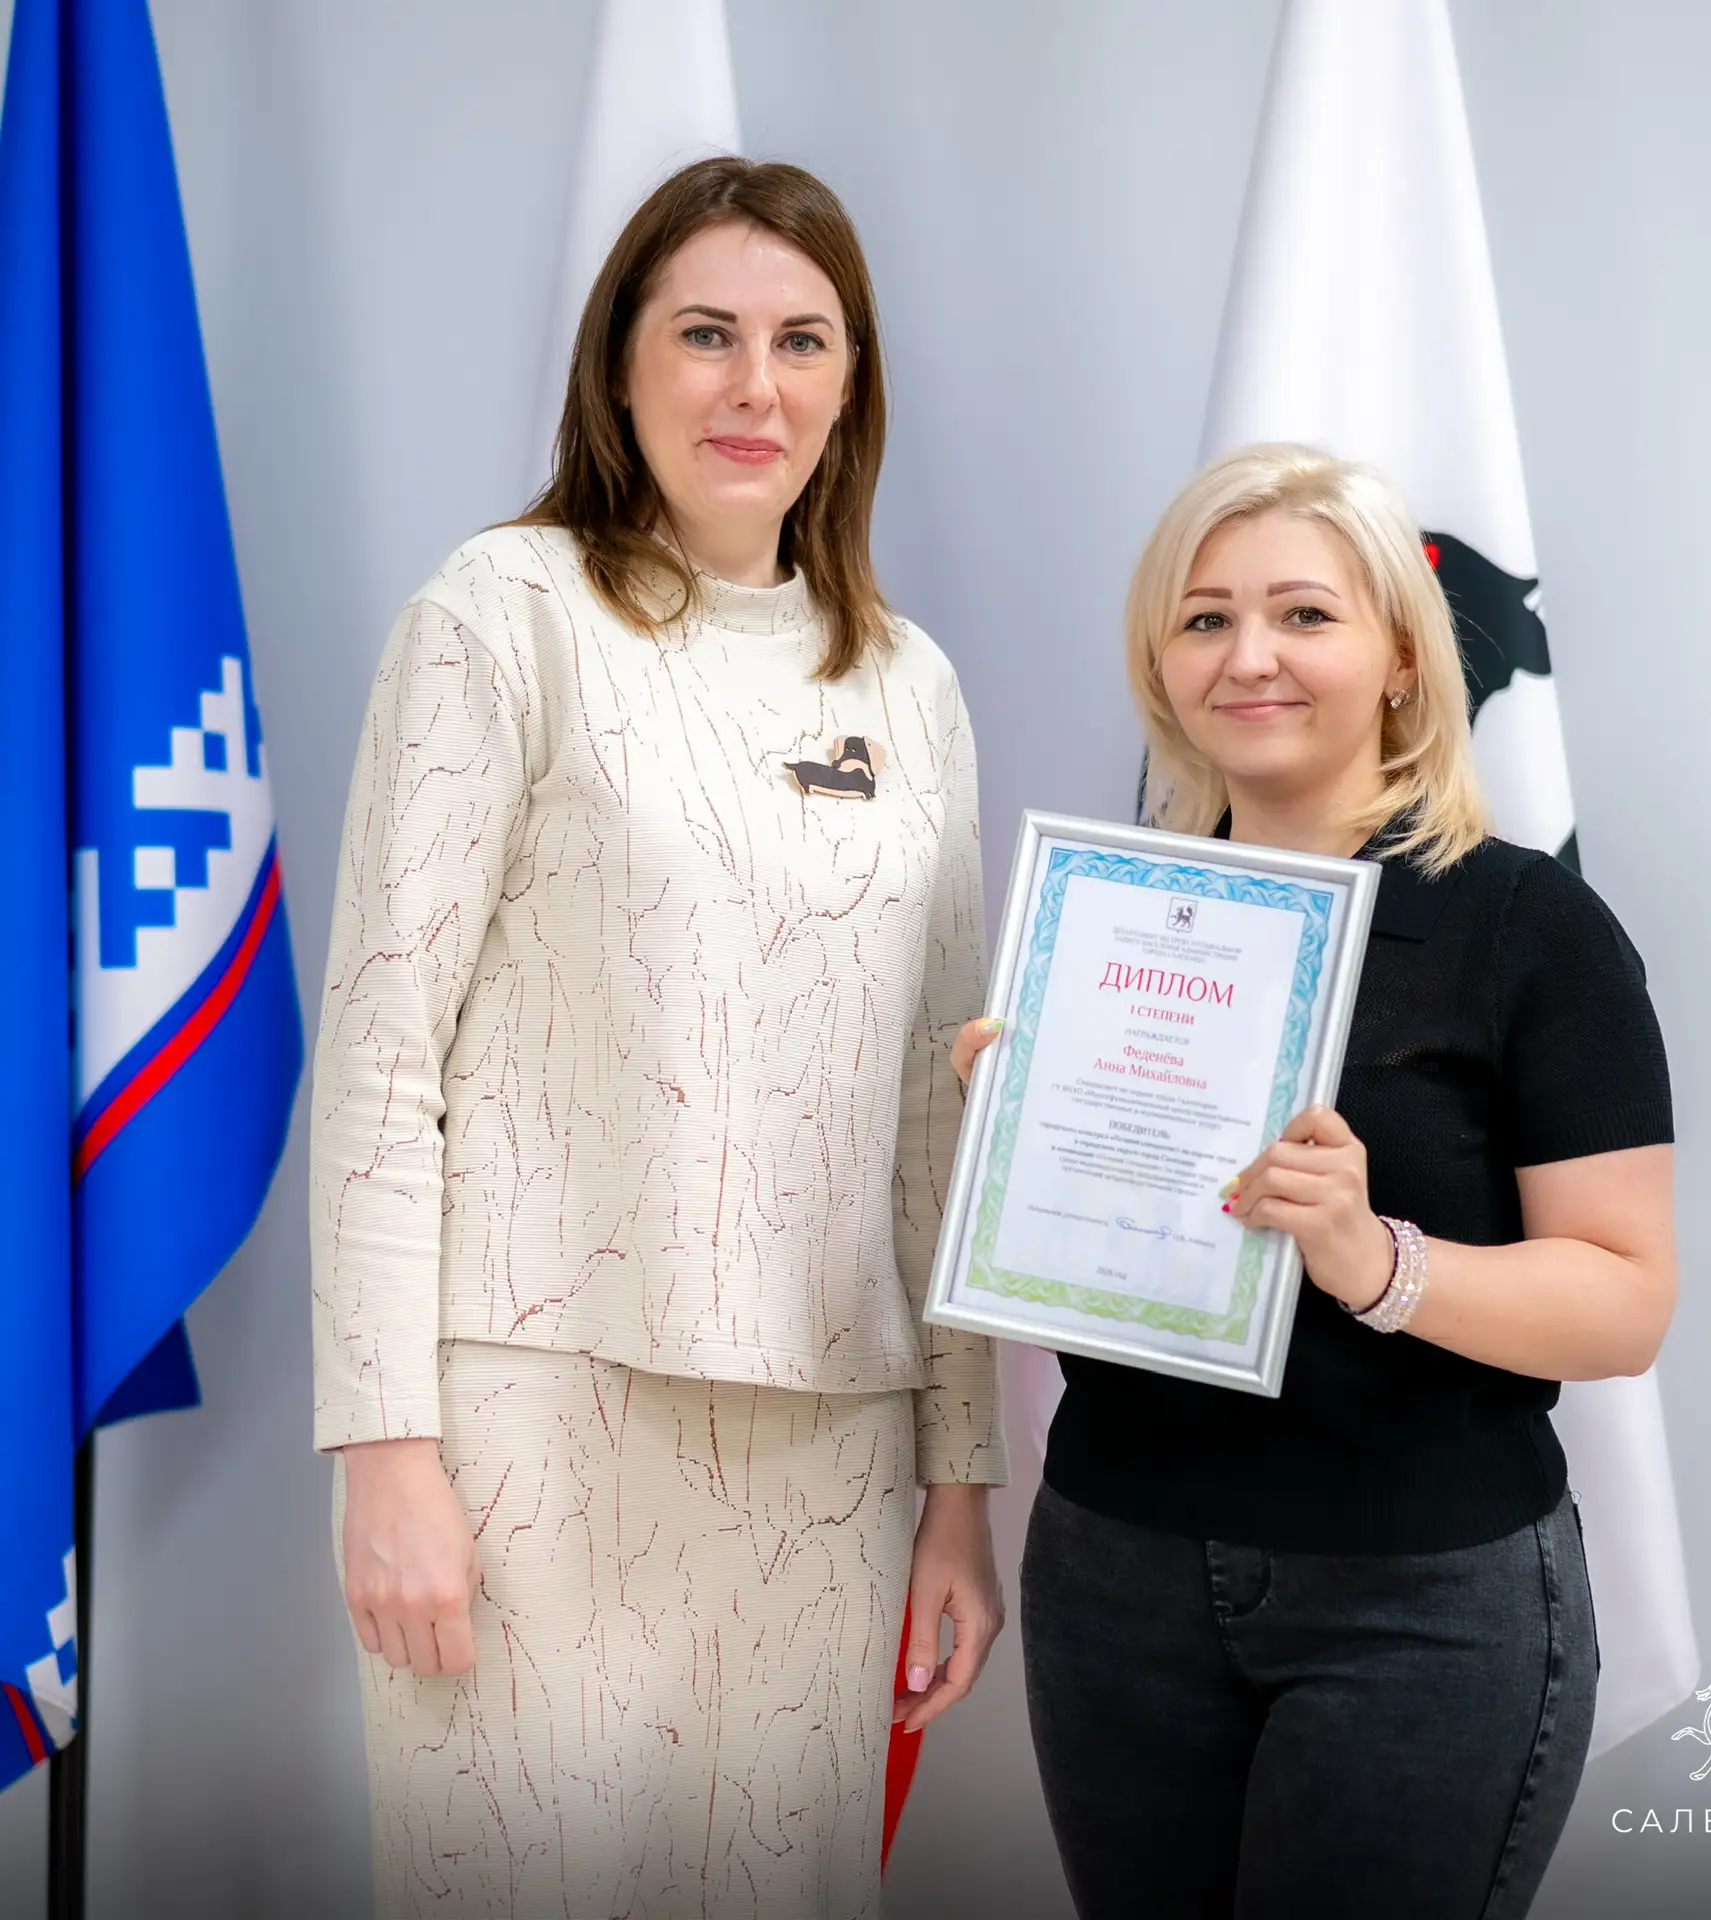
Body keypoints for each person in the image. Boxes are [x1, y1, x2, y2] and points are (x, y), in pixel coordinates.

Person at [310, 157, 1006, 1919]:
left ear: (851, 387)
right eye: (705, 335)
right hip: (526, 1445)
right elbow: (383, 1060)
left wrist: (959, 1487)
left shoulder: (910, 686)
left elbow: (942, 1125)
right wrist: (385, 1451)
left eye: (801, 341)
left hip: (832, 1459)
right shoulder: (501, 613)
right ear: (619, 364)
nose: (753, 385)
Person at [954, 443, 1677, 1917]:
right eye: (1205, 618)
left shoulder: (1531, 929)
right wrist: (1027, 1150)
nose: (1249, 656)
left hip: (1416, 1601)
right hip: (1112, 1576)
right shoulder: (1113, 923)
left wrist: (1378, 1260)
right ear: (1161, 664)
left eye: (1303, 614)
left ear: (1402, 658)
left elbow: (1624, 1304)